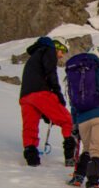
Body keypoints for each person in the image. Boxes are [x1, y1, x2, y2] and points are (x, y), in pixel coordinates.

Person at [65, 46, 99, 188]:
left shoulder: (77, 74)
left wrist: (75, 122)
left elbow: (73, 101)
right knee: (97, 152)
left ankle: (78, 176)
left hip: (82, 119)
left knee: (87, 150)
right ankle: (92, 184)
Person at [19, 36, 75, 167]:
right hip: (41, 93)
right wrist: (58, 93)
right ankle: (69, 156)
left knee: (30, 127)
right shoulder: (49, 50)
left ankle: (32, 159)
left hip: (26, 96)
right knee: (67, 120)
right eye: (62, 51)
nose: (61, 55)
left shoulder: (34, 56)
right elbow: (51, 73)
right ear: (57, 46)